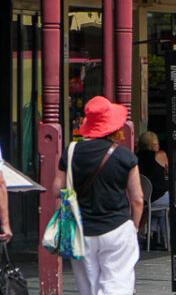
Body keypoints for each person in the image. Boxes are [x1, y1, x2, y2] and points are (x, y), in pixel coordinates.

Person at [55, 97, 144, 295]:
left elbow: (56, 189)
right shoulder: (125, 156)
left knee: (88, 287)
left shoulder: (71, 151)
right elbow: (138, 199)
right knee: (117, 284)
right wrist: (134, 226)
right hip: (117, 229)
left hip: (81, 229)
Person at [135, 131, 171, 214]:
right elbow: (169, 172)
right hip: (158, 198)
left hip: (144, 200)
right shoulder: (160, 155)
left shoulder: (136, 157)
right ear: (153, 145)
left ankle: (154, 226)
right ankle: (166, 226)